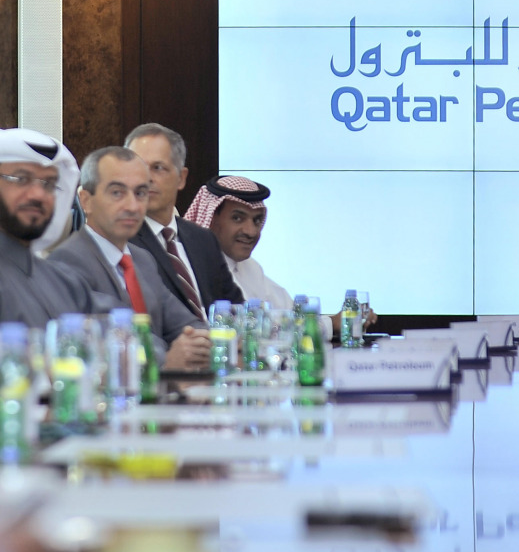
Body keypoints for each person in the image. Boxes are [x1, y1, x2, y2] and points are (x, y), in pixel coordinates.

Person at [50, 147, 209, 368]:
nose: (133, 206)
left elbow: (186, 324)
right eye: (117, 193)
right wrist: (167, 359)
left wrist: (206, 342)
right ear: (85, 200)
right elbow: (114, 340)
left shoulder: (142, 259)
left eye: (140, 193)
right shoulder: (67, 262)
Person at [0, 127, 111, 329]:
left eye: (48, 183)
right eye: (21, 179)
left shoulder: (60, 279)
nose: (38, 195)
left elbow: (121, 327)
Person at [183, 176, 375, 338]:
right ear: (211, 218)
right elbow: (251, 330)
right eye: (237, 218)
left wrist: (343, 320)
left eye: (257, 220)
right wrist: (331, 324)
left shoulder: (251, 268)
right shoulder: (193, 267)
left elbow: (289, 314)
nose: (251, 231)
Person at [124, 122, 244, 320]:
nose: (147, 178)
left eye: (158, 168)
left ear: (181, 177)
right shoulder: (121, 241)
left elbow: (235, 307)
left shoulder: (203, 240)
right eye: (139, 167)